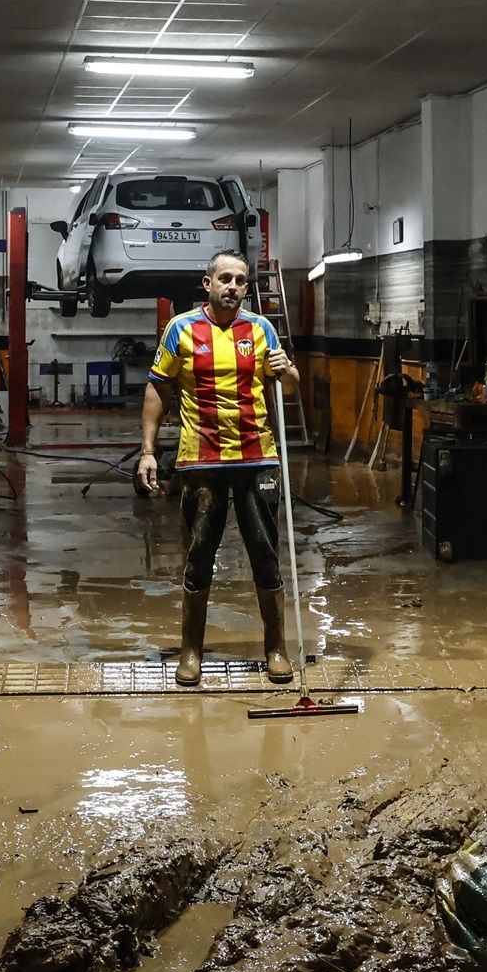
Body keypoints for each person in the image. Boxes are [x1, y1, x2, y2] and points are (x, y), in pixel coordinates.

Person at [136, 249, 300, 687]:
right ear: (206, 283)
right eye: (224, 278)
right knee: (198, 556)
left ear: (248, 287)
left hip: (257, 458)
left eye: (241, 280)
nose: (232, 286)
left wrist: (287, 372)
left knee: (265, 553)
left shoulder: (263, 330)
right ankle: (191, 651)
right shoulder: (182, 329)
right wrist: (148, 450)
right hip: (201, 461)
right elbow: (157, 389)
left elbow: (291, 385)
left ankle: (276, 648)